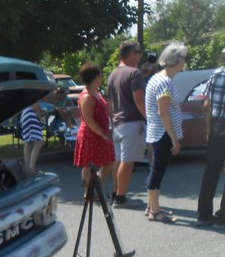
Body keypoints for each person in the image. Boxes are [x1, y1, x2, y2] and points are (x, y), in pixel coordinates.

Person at [144, 42, 187, 223]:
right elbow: (163, 112)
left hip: (156, 131)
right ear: (177, 61)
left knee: (156, 169)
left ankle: (151, 206)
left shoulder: (157, 78)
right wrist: (174, 137)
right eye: (184, 59)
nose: (185, 63)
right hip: (162, 133)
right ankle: (155, 211)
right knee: (157, 171)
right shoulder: (165, 82)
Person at [107, 40, 147, 207]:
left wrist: (113, 121)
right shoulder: (134, 73)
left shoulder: (112, 74)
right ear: (131, 54)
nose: (140, 55)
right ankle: (121, 199)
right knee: (128, 161)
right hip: (132, 123)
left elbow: (109, 103)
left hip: (117, 123)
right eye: (138, 52)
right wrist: (149, 119)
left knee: (119, 160)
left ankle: (116, 194)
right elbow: (139, 100)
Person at [195, 48, 225, 227]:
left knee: (211, 171)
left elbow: (206, 103)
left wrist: (208, 129)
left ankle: (204, 215)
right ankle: (223, 217)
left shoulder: (216, 73)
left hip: (215, 125)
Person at [74, 62, 114, 194]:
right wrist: (104, 134)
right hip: (91, 136)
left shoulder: (97, 92)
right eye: (101, 75)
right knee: (89, 165)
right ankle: (88, 192)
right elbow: (89, 120)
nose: (102, 77)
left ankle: (99, 188)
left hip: (102, 133)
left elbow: (106, 109)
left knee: (108, 161)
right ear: (95, 77)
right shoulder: (86, 96)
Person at [19, 101, 44, 170]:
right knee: (39, 141)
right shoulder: (36, 93)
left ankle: (27, 168)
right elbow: (36, 106)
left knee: (28, 143)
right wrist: (40, 118)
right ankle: (31, 168)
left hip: (24, 115)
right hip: (31, 116)